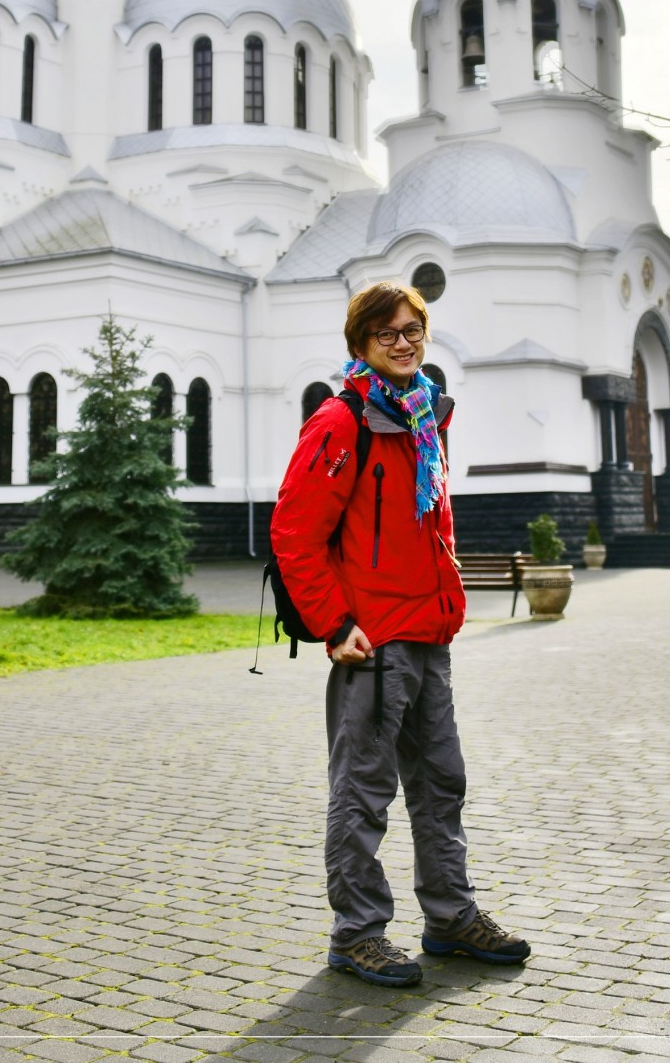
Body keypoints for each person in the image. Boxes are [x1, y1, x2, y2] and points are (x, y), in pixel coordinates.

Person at [270, 280, 530, 987]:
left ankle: (450, 917)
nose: (404, 341)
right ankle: (357, 934)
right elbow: (294, 533)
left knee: (442, 782)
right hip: (372, 642)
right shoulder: (340, 421)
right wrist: (335, 623)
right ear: (361, 344)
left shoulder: (422, 417)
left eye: (414, 329)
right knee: (364, 792)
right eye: (387, 332)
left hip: (428, 632)